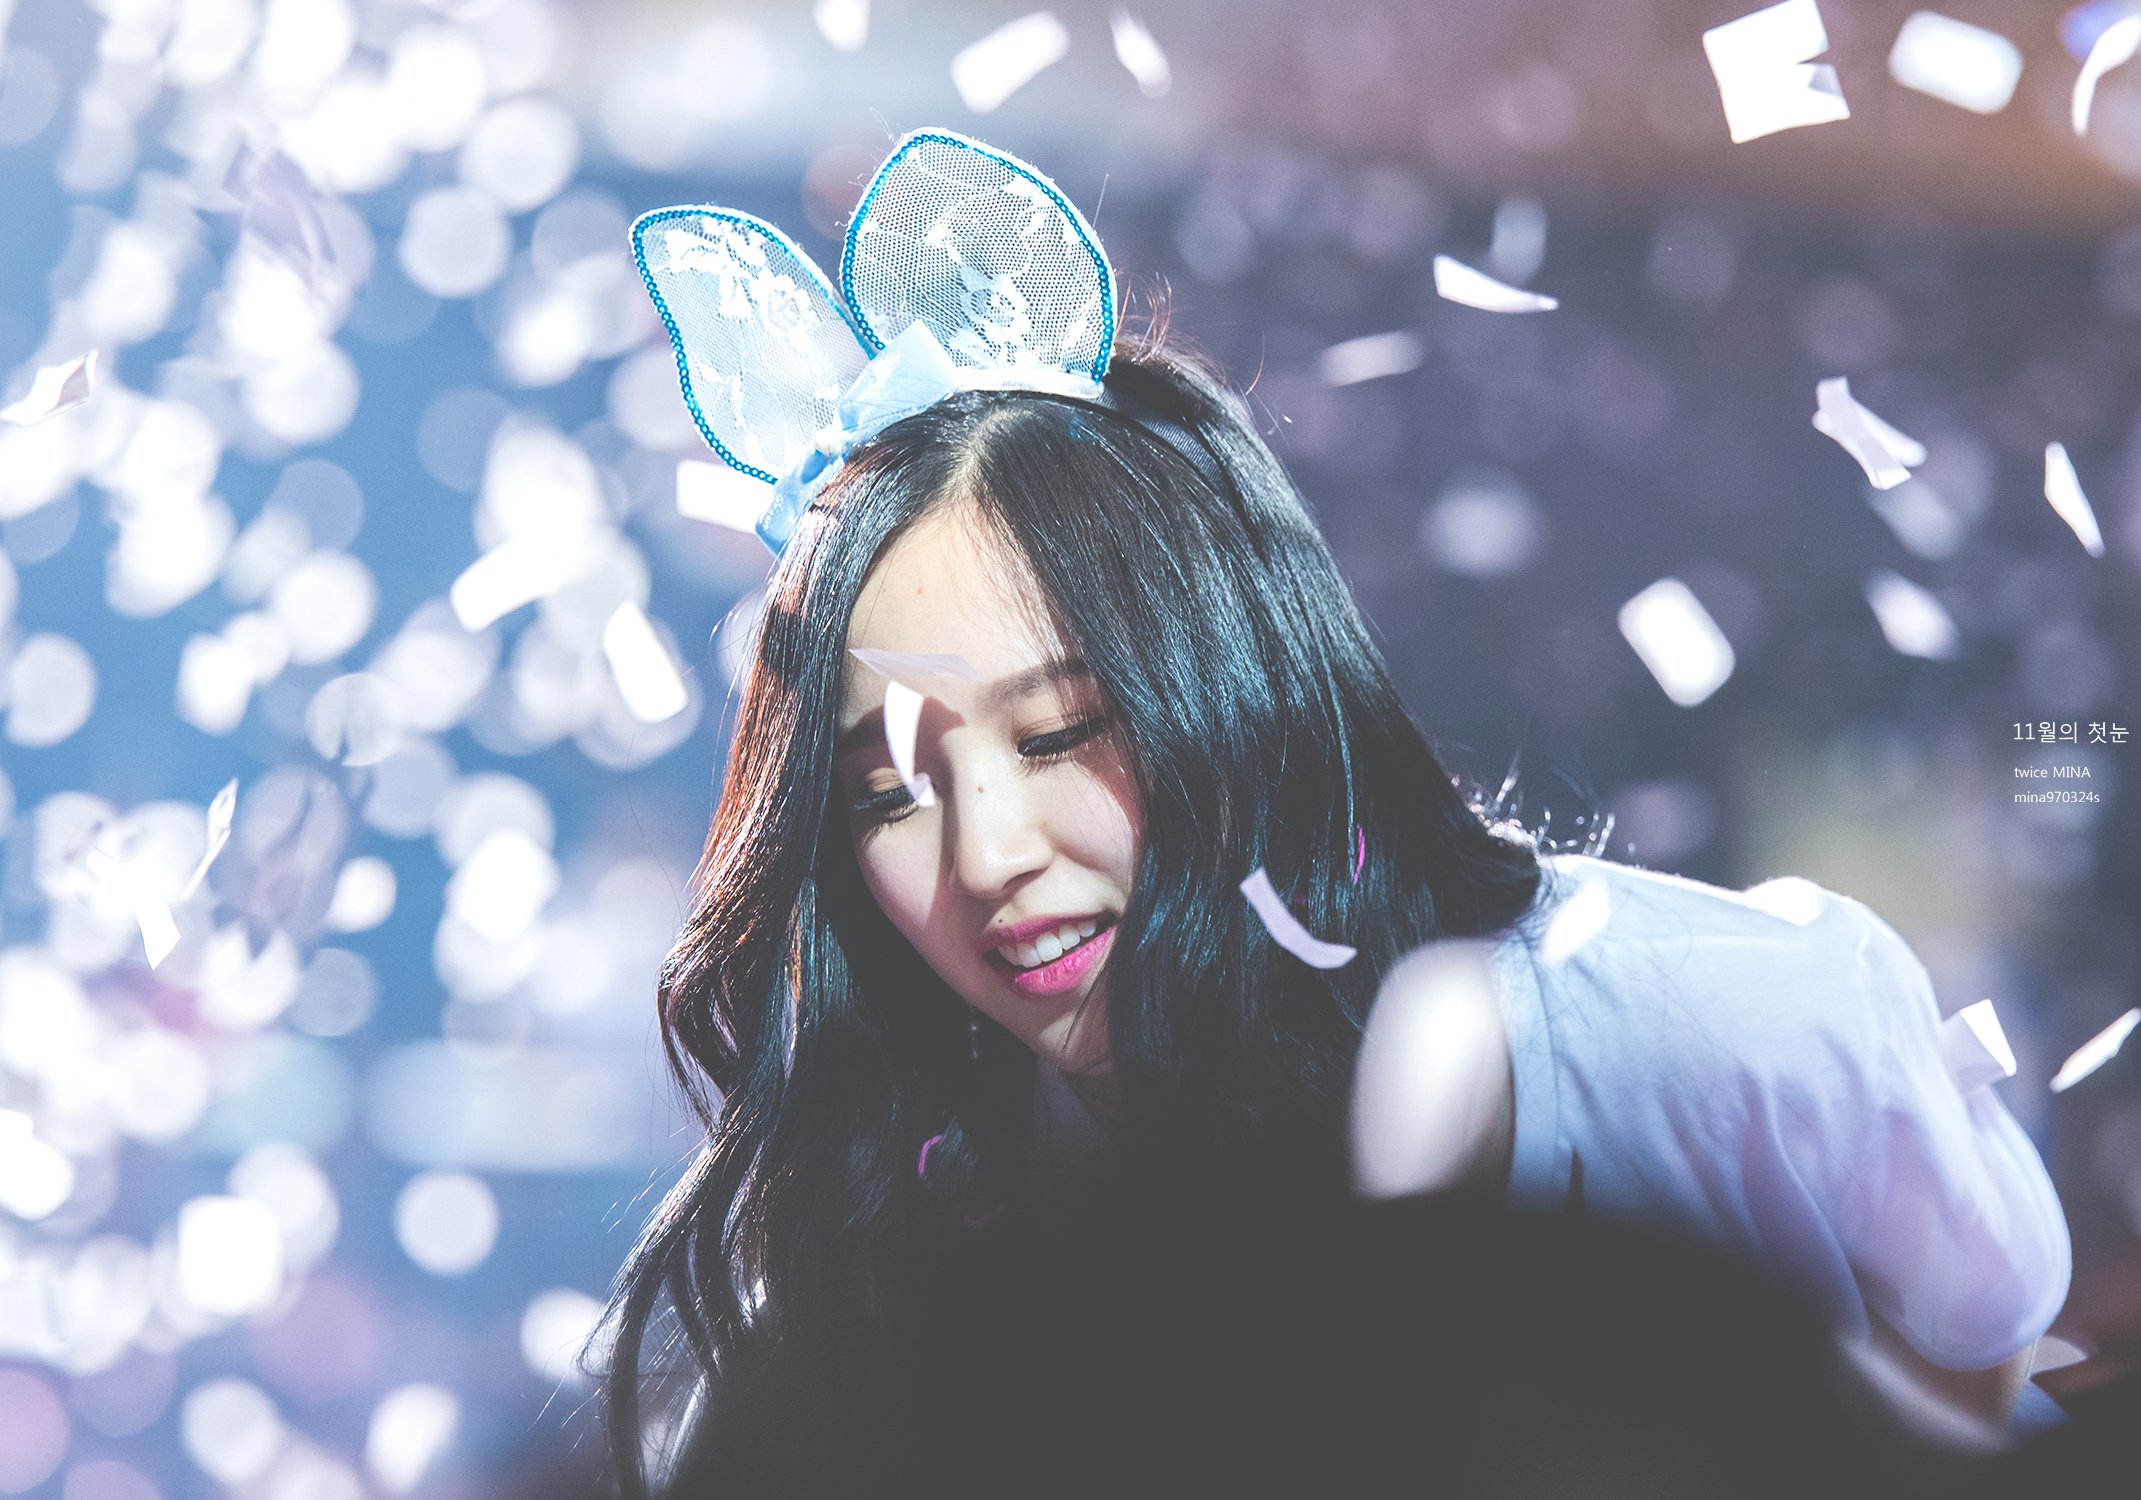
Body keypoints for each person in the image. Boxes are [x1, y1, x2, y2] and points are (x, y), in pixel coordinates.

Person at [600, 130, 2070, 1494]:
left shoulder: (1715, 1029)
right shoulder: (892, 1267)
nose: (989, 855)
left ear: (1239, 680)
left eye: (1060, 735)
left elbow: (1985, 1354)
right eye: (889, 792)